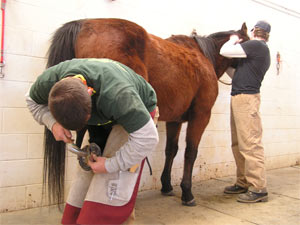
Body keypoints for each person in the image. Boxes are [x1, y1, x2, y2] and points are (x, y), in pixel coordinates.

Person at [26, 58, 159, 224]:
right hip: (105, 114)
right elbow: (31, 101)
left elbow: (147, 139)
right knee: (81, 191)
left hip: (137, 119)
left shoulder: (118, 95)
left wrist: (110, 164)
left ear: (89, 93)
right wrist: (53, 124)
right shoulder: (48, 82)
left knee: (112, 192)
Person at [219, 21, 271, 203]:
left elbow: (224, 50)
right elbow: (236, 76)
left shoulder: (256, 46)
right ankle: (243, 181)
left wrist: (233, 39)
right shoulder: (255, 52)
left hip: (246, 99)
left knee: (250, 144)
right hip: (240, 97)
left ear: (253, 32)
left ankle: (258, 188)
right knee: (238, 143)